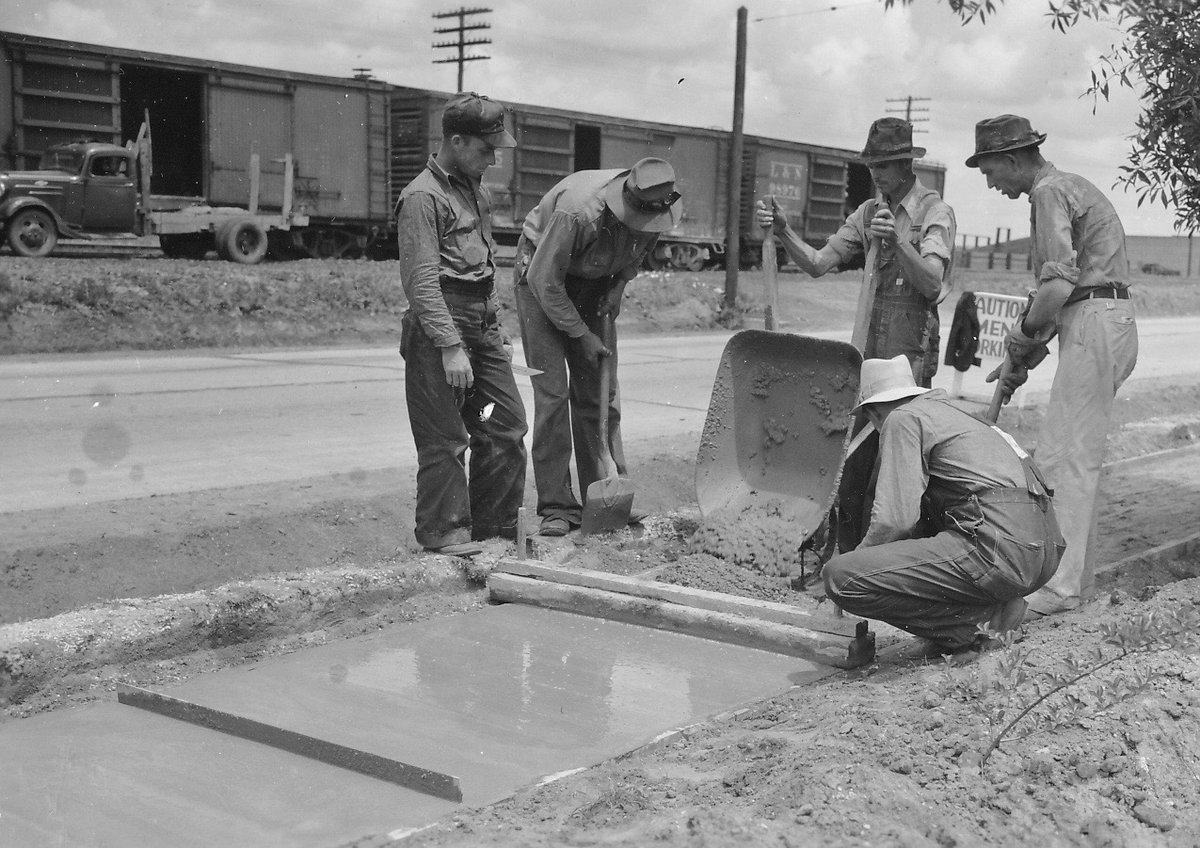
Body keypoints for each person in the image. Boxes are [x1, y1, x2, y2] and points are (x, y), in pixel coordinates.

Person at [755, 117, 957, 554]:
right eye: (872, 165)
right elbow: (817, 263)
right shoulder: (867, 213)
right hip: (868, 349)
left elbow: (933, 284)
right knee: (852, 457)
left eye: (883, 166)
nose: (875, 174)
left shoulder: (933, 212)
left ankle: (897, 556)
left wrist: (898, 244)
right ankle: (844, 555)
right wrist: (784, 230)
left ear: (905, 165)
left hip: (910, 353)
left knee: (899, 460)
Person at [968, 114, 1139, 617]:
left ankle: (1057, 590)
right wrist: (1023, 358)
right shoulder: (1065, 188)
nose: (991, 183)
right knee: (1074, 457)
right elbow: (1067, 294)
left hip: (1096, 321)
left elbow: (1060, 287)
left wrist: (1021, 336)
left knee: (1064, 461)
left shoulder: (1048, 193)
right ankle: (1071, 584)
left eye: (991, 171)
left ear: (1014, 159)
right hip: (1100, 320)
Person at [822, 355, 1064, 654]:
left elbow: (894, 521)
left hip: (1000, 550)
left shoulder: (902, 418)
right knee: (929, 520)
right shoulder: (959, 415)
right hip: (1045, 550)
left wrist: (857, 564)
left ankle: (982, 623)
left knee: (841, 578)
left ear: (873, 413)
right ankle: (995, 606)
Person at [513, 158, 681, 537]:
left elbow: (640, 248)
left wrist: (620, 284)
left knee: (601, 396)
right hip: (541, 278)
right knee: (552, 394)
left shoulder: (659, 207)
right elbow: (544, 281)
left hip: (596, 282)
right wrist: (580, 334)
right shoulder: (577, 211)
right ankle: (557, 506)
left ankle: (603, 492)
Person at [395, 92, 528, 557]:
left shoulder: (475, 189)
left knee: (504, 426)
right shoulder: (421, 197)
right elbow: (421, 280)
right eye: (487, 149)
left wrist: (497, 329)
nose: (494, 159)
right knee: (446, 437)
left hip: (481, 325)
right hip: (440, 329)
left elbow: (484, 267)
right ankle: (445, 534)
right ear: (456, 140)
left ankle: (494, 531)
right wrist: (451, 345)